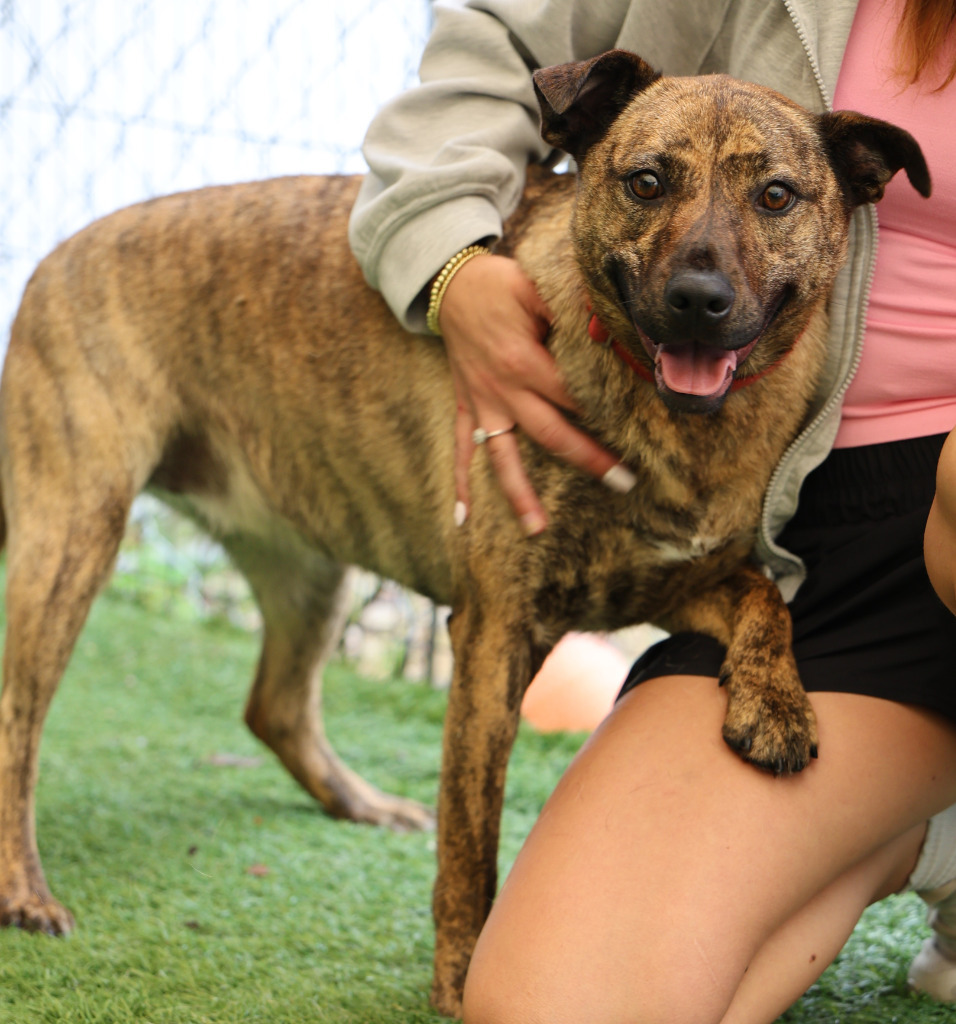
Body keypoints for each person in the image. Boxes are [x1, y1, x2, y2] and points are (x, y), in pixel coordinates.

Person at [349, 0, 956, 1019]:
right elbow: (499, 31)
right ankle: (913, 827)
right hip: (793, 529)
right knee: (558, 1003)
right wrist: (447, 261)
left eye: (771, 196)